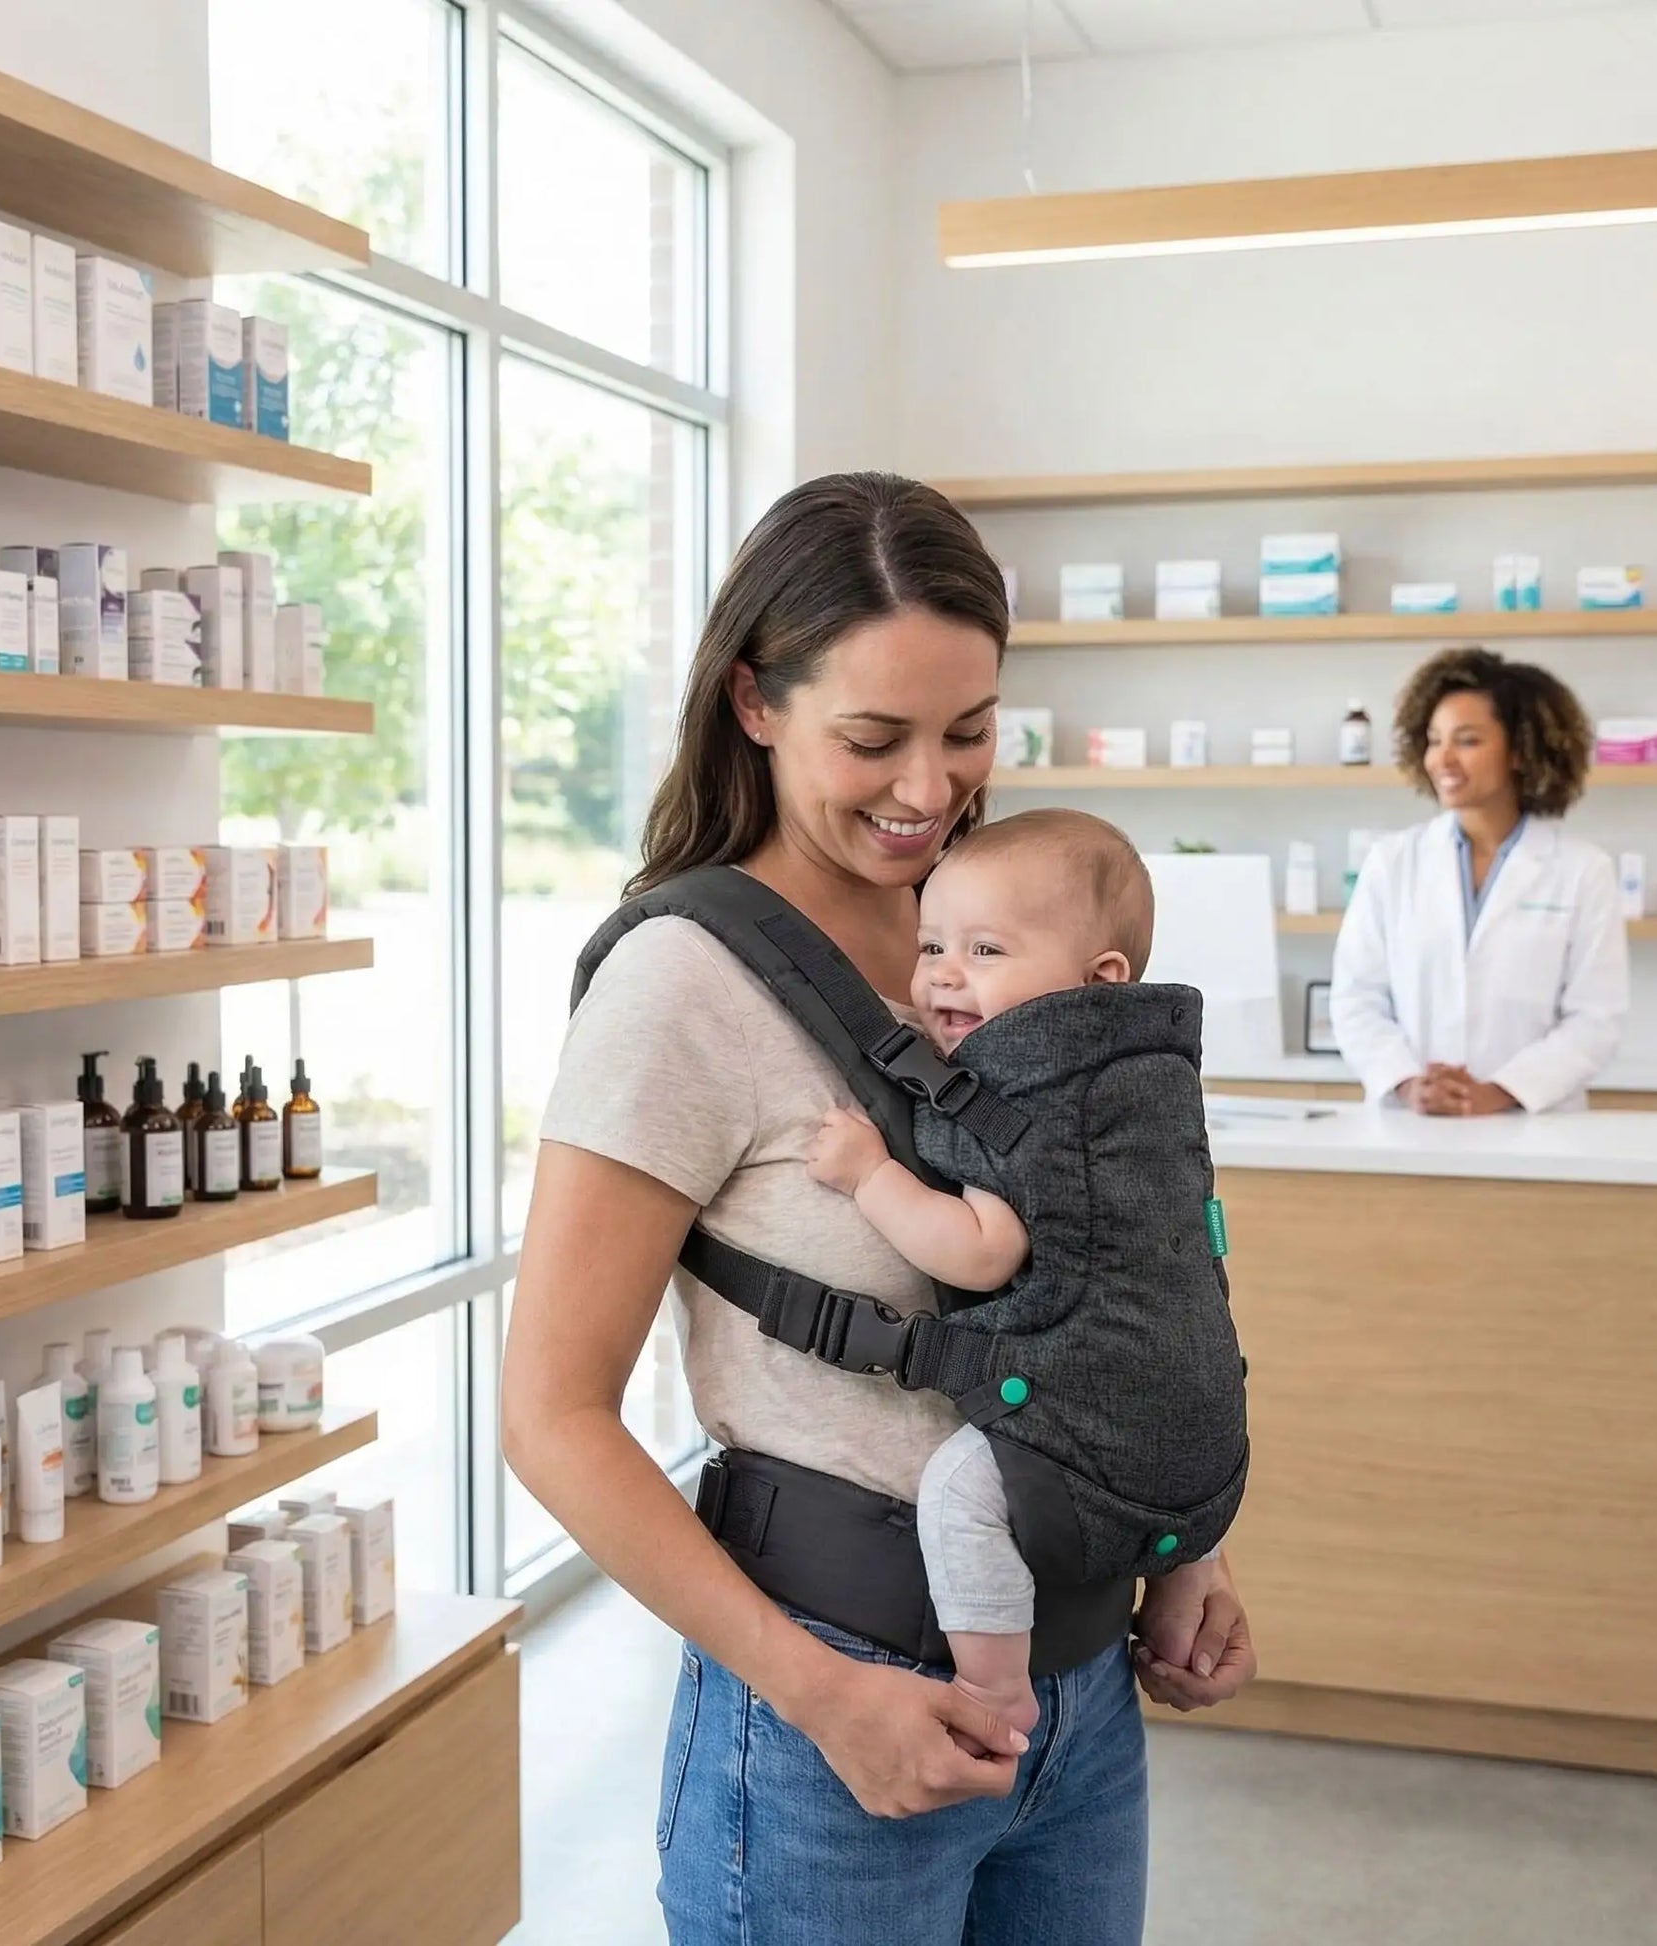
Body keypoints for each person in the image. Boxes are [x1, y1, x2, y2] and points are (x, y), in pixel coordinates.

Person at [501, 473, 1255, 1945]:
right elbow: (549, 1415)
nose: (929, 787)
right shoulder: (679, 985)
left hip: (1078, 1692)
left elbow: (1123, 1262)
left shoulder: (1005, 930)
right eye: (872, 738)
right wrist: (821, 1694)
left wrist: (1180, 1543)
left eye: (968, 730)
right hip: (830, 1717)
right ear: (754, 701)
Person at [806, 807, 1242, 1742]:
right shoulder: (1152, 1079)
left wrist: (870, 1175)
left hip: (1083, 1405)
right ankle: (1174, 1615)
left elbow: (982, 1250)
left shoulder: (1027, 1095)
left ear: (1099, 980)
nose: (941, 973)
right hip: (1202, 1411)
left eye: (986, 950)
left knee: (961, 1497)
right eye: (932, 945)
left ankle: (996, 1690)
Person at [1329, 645, 1629, 1114]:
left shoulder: (1583, 870)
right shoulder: (1392, 862)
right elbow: (1356, 999)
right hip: (1411, 1123)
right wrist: (1408, 1084)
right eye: (1434, 740)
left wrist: (1499, 1092)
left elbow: (1595, 1019)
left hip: (1535, 1126)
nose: (1442, 759)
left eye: (1467, 741)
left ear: (1520, 751)